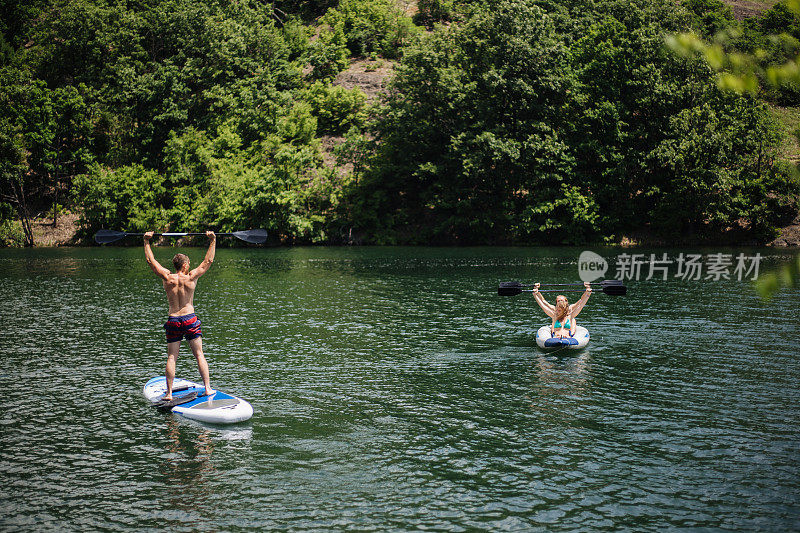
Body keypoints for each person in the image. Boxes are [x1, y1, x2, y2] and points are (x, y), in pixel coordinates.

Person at [144, 230, 216, 401]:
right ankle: (207, 388)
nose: (190, 266)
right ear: (184, 265)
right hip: (189, 319)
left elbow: (151, 261)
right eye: (188, 264)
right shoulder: (191, 278)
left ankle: (169, 394)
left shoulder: (167, 277)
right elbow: (209, 261)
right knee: (199, 354)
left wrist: (146, 241)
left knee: (171, 357)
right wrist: (213, 240)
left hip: (174, 320)